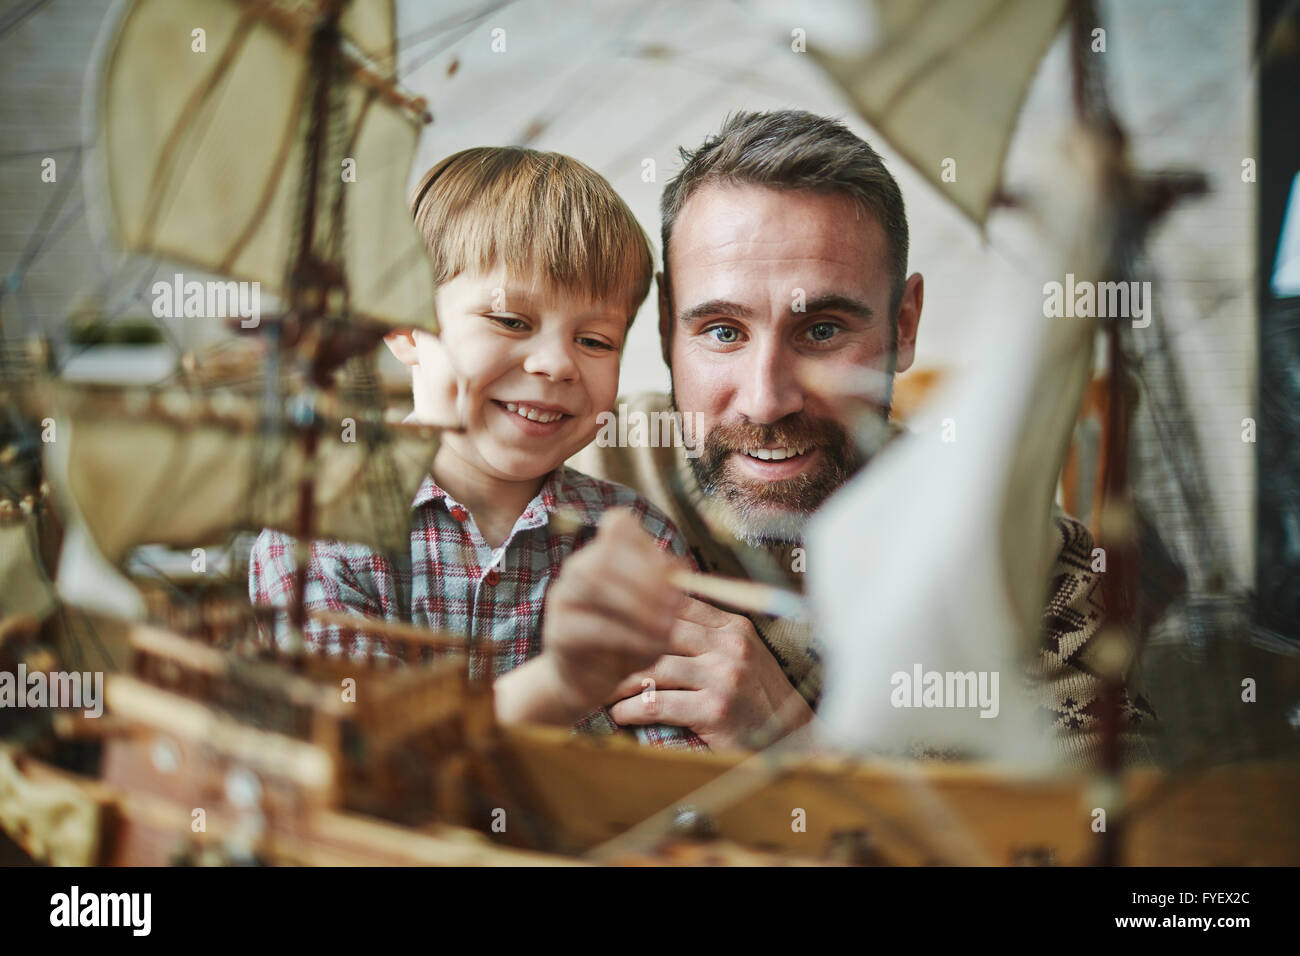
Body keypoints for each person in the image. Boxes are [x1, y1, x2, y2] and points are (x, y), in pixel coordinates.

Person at [571, 110, 1156, 764]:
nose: (767, 400)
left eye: (822, 330)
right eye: (723, 332)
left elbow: (1108, 822)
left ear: (903, 326)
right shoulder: (569, 467)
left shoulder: (1006, 553)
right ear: (665, 330)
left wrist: (801, 747)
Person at [250, 147, 704, 749]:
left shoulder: (641, 543)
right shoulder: (317, 529)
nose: (555, 364)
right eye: (511, 322)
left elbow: (679, 783)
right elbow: (356, 757)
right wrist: (562, 683)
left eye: (595, 340)